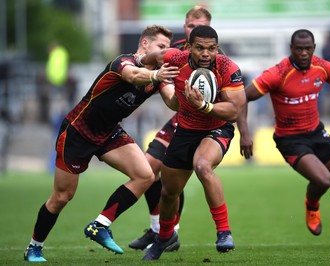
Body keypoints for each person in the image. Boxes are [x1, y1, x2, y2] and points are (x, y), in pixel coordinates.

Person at [23, 25, 180, 262]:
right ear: (145, 45)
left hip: (108, 132)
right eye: (161, 47)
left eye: (167, 49)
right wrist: (157, 75)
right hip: (78, 130)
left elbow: (173, 102)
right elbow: (133, 76)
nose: (164, 54)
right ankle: (34, 247)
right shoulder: (123, 62)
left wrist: (190, 94)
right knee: (62, 197)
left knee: (146, 175)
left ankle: (100, 225)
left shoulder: (159, 75)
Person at [236, 29, 330, 247]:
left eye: (308, 48)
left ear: (314, 48)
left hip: (316, 132)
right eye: (299, 49)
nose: (304, 53)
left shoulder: (322, 67)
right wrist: (245, 133)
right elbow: (242, 98)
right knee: (323, 179)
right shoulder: (277, 73)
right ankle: (312, 204)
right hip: (290, 139)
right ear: (291, 49)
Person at [137, 25, 246, 260]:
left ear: (217, 48)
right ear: (189, 48)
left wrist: (204, 106)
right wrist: (138, 63)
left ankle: (224, 231)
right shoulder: (176, 59)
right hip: (185, 130)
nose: (206, 54)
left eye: (211, 49)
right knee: (168, 193)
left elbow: (235, 110)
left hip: (217, 128)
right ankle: (164, 238)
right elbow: (154, 57)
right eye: (200, 48)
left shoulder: (228, 68)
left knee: (202, 166)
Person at [128, 5, 217, 252]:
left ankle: (167, 233)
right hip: (177, 119)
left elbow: (232, 96)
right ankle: (160, 230)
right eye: (189, 25)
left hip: (200, 125)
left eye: (197, 25)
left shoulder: (215, 57)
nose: (192, 29)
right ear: (185, 25)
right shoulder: (174, 51)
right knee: (148, 169)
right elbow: (153, 68)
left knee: (172, 180)